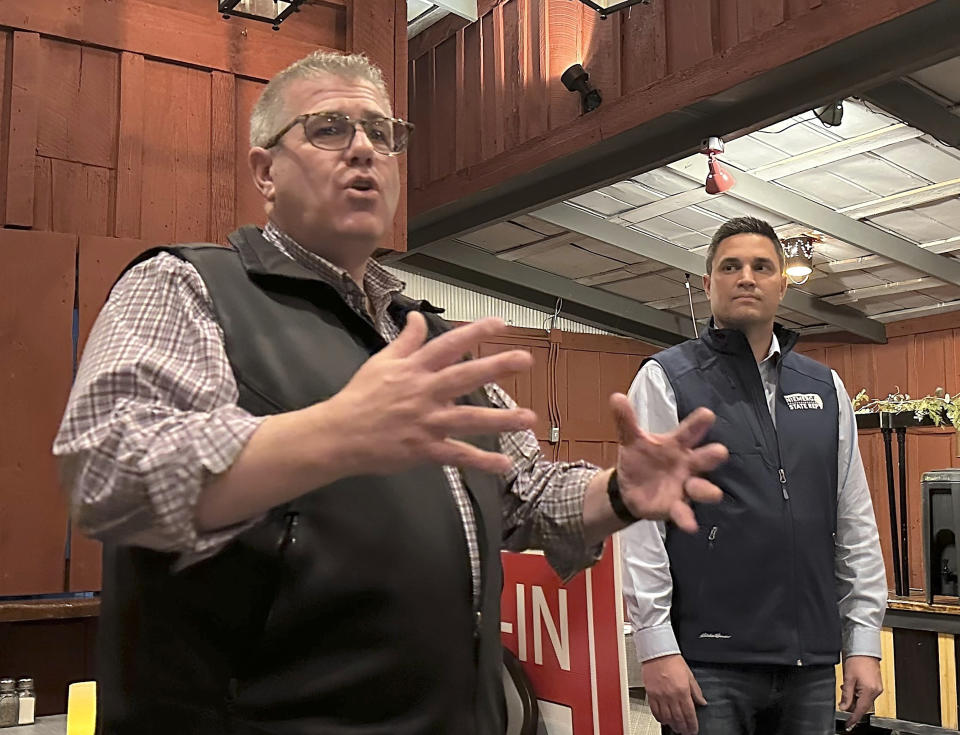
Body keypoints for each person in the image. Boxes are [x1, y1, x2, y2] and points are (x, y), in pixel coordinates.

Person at [53, 51, 727, 735]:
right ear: (265, 172)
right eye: (327, 128)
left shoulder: (424, 336)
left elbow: (520, 491)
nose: (363, 150)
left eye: (382, 132)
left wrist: (617, 493)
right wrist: (332, 434)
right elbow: (107, 471)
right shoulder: (188, 287)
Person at [620, 216, 887, 735]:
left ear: (782, 284)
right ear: (708, 284)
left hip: (809, 664)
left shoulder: (825, 387)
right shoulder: (666, 379)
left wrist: (864, 643)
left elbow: (854, 520)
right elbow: (641, 521)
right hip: (707, 665)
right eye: (731, 266)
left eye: (762, 267)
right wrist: (654, 647)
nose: (747, 277)